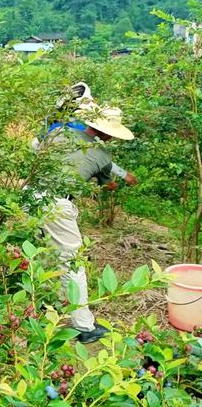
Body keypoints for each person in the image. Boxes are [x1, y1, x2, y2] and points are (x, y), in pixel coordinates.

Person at [40, 103, 136, 343]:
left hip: (29, 196)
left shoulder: (58, 132)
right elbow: (105, 183)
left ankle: (42, 306)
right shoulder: (103, 156)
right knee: (73, 263)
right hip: (56, 203)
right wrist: (111, 184)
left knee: (43, 254)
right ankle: (84, 327)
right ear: (106, 133)